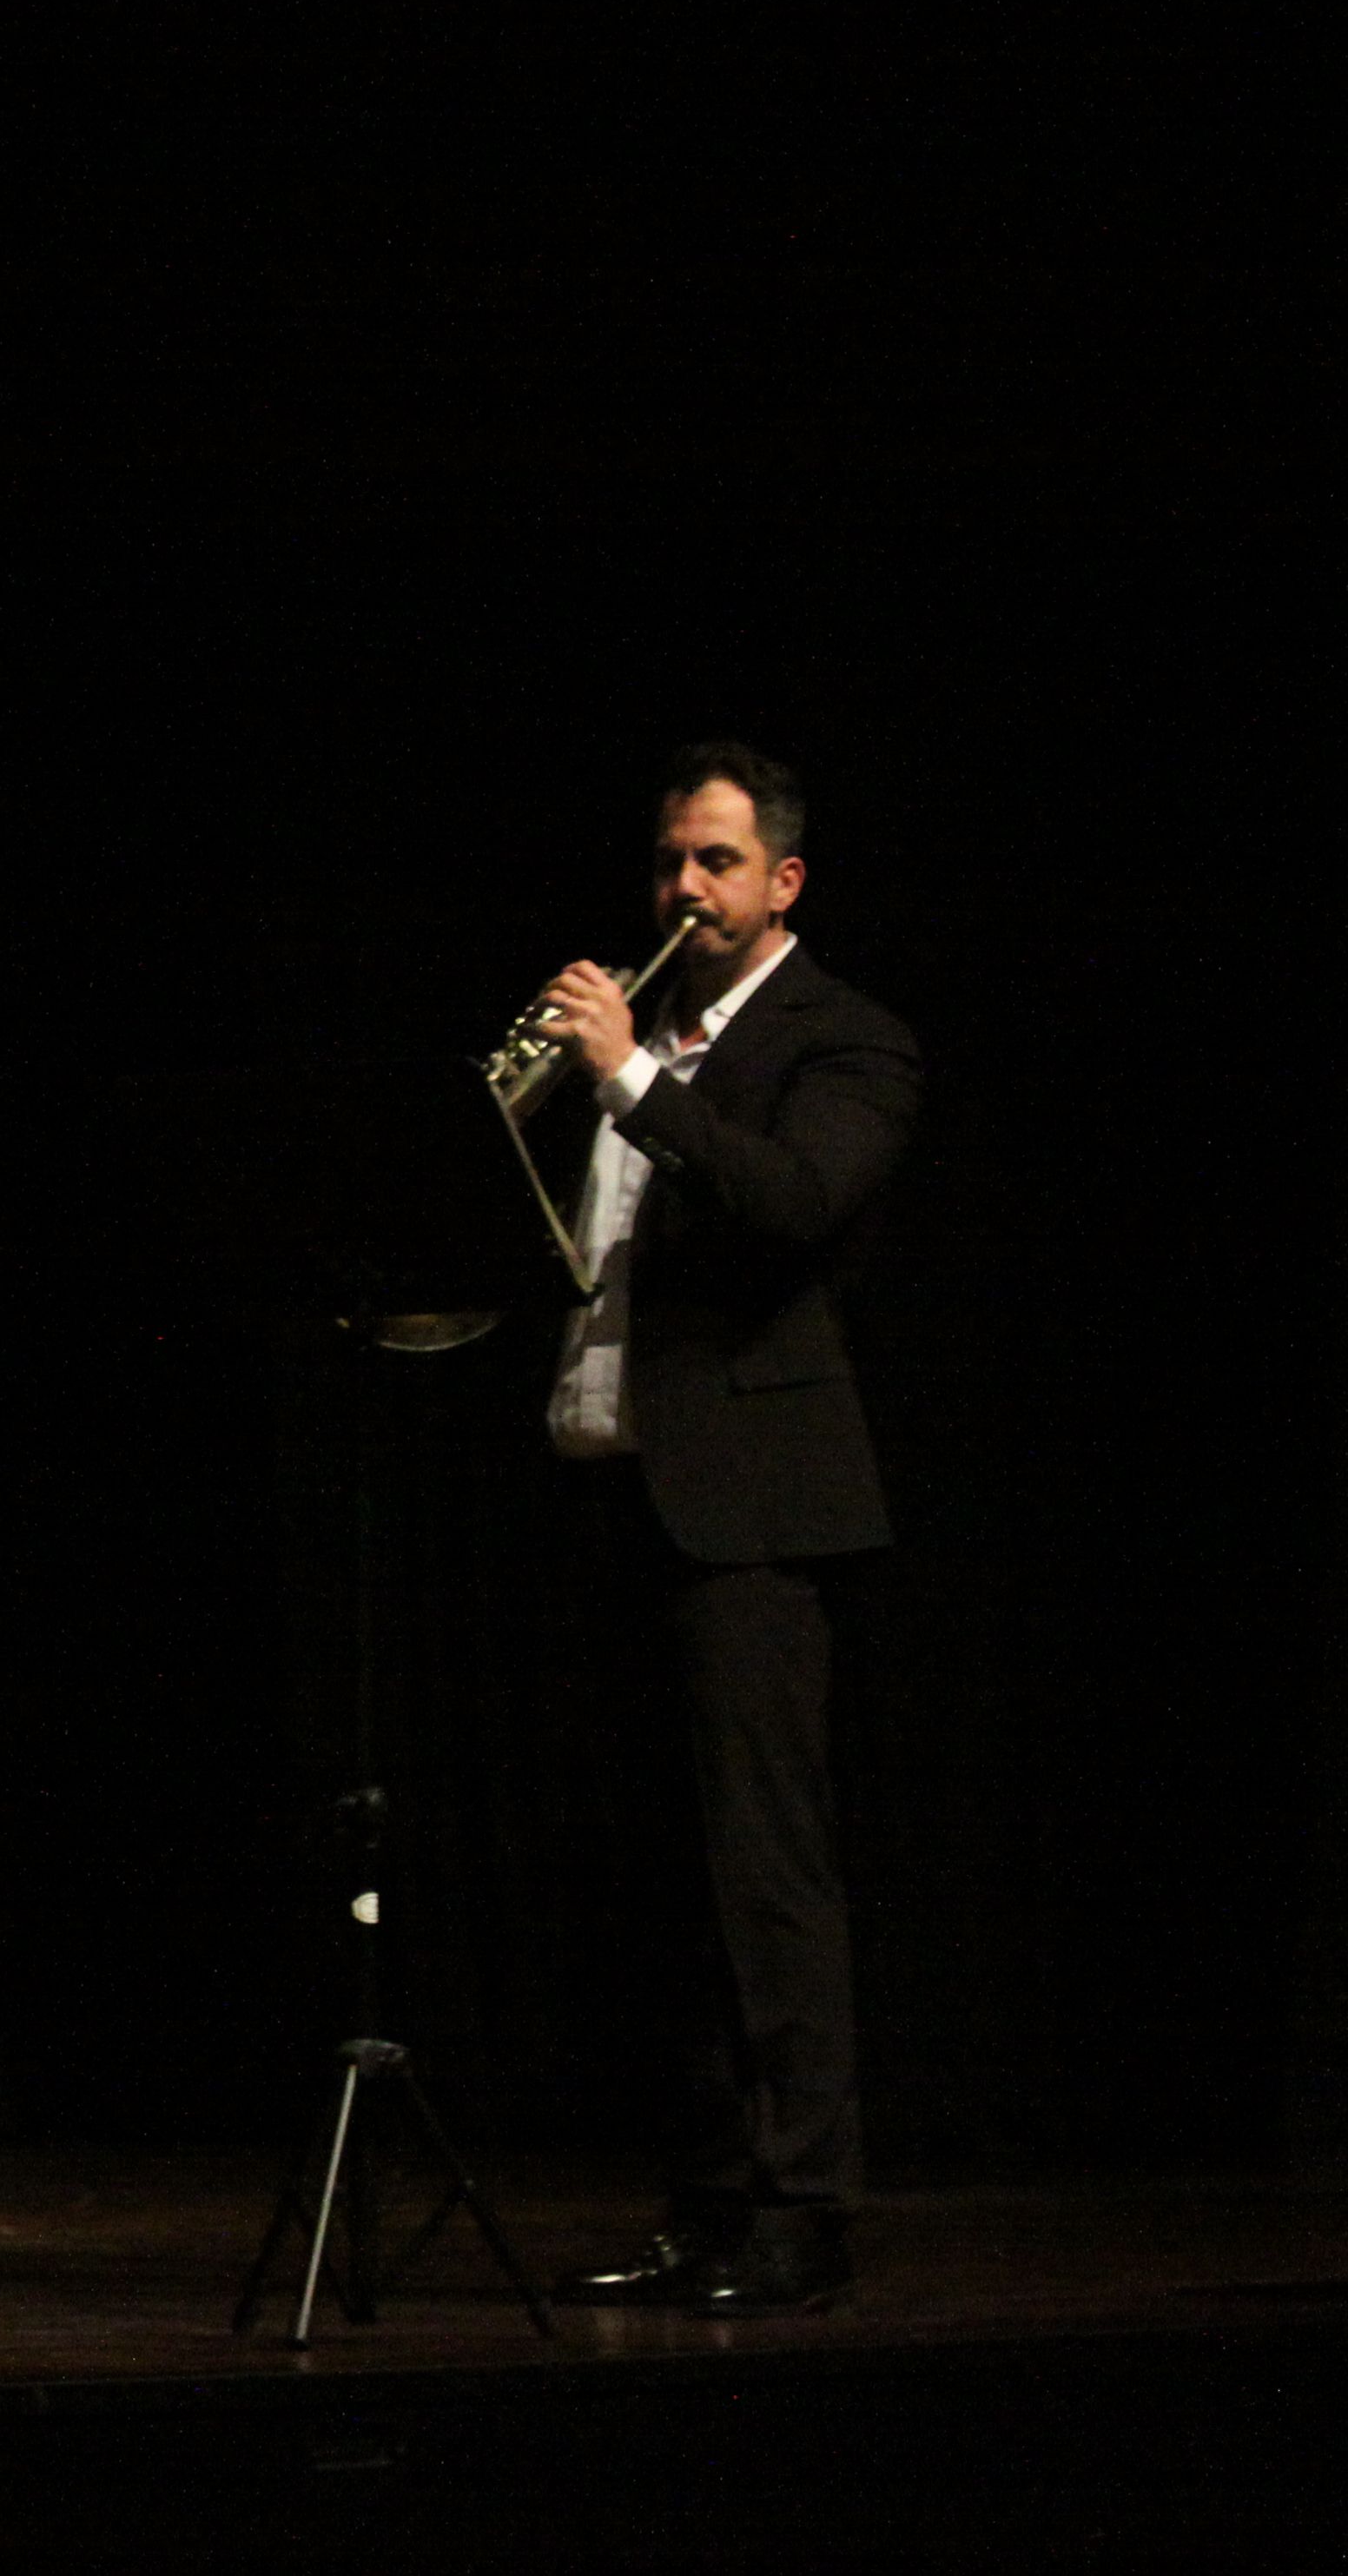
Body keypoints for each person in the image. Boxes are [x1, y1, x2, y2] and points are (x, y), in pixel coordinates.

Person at [529, 742, 920, 2316]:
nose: (681, 889)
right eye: (668, 862)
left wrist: (629, 1079)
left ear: (782, 882)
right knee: (661, 1885)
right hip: (623, 1489)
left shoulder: (847, 1040)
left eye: (712, 862)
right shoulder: (658, 1033)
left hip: (752, 1510)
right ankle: (701, 2202)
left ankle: (800, 2208)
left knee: (765, 1877)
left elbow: (792, 1204)